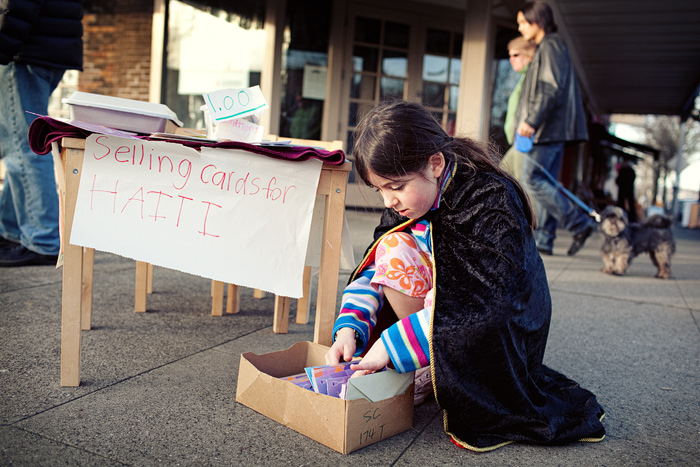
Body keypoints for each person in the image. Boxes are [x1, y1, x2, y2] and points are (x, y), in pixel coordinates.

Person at [326, 100, 605, 451]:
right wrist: (350, 329)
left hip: (510, 328)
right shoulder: (413, 199)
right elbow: (373, 269)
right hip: (437, 317)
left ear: (435, 163)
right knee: (391, 247)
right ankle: (428, 359)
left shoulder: (490, 198)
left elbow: (490, 305)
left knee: (429, 277)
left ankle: (430, 362)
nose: (388, 202)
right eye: (379, 189)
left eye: (395, 186)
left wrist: (392, 345)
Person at [0, 0, 84, 267]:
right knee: (20, 142)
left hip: (23, 50)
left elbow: (16, 4)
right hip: (44, 47)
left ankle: (43, 238)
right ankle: (12, 231)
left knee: (23, 147)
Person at [513, 1, 595, 256]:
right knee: (545, 180)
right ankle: (545, 239)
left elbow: (550, 87)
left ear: (536, 21)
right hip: (551, 129)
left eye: (522, 23)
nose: (519, 28)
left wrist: (531, 121)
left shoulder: (551, 45)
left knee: (532, 179)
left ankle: (580, 223)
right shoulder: (548, 47)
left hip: (548, 129)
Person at [500, 36, 536, 180]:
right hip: (518, 141)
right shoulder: (524, 78)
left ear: (529, 55)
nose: (511, 60)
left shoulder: (532, 77)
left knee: (525, 184)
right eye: (509, 56)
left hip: (526, 140)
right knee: (503, 177)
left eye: (516, 55)